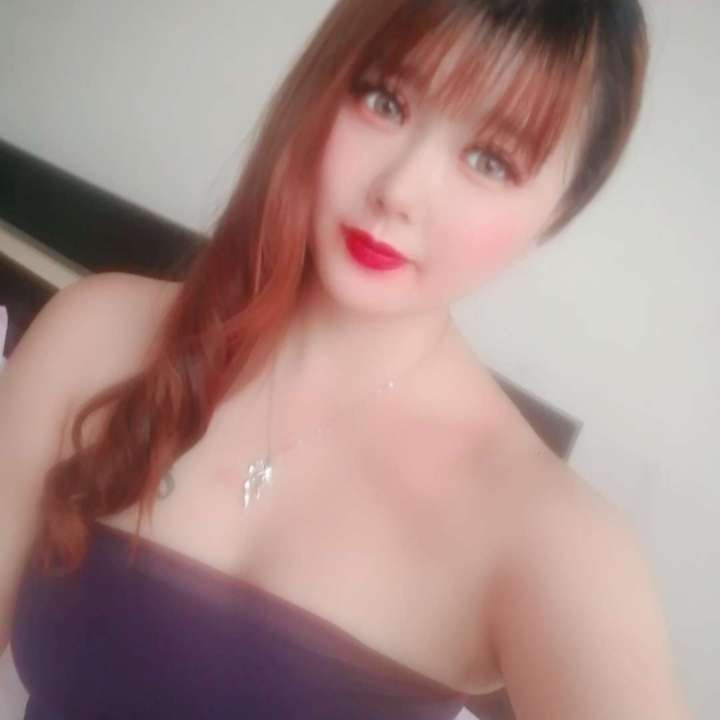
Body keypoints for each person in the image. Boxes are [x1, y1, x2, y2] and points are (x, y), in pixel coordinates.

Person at [0, 1, 692, 718]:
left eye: (490, 160)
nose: (399, 190)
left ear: (559, 213)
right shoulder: (97, 332)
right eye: (384, 101)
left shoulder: (549, 537)